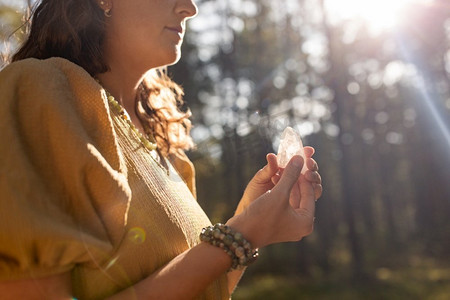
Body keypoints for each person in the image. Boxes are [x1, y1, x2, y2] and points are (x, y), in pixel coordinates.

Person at [0, 0, 323, 299]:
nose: (189, 8)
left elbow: (201, 289)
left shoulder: (172, 156)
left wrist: (248, 222)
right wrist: (240, 235)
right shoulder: (40, 92)